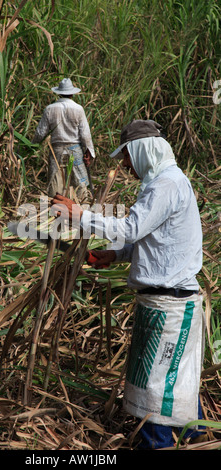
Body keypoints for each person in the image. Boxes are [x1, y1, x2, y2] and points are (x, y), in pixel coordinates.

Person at [51, 119, 207, 449]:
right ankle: (193, 439)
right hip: (162, 303)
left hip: (171, 307)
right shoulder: (162, 184)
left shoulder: (166, 184)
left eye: (126, 156)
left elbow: (133, 228)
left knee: (158, 388)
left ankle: (160, 444)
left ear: (144, 150)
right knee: (172, 383)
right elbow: (155, 240)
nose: (124, 165)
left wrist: (80, 215)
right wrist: (116, 256)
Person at [32, 78, 95, 201]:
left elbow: (40, 133)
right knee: (80, 182)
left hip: (57, 150)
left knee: (55, 182)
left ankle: (55, 210)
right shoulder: (78, 109)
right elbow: (85, 135)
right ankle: (83, 208)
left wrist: (32, 144)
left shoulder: (50, 109)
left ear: (59, 93)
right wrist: (89, 152)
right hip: (75, 149)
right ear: (72, 93)